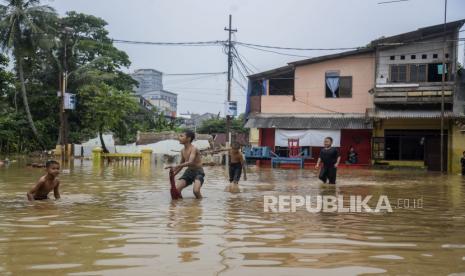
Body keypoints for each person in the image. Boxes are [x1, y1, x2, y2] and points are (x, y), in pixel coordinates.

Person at [165, 130, 205, 199]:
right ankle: (183, 206)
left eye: (181, 136)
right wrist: (173, 175)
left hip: (198, 172)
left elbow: (190, 162)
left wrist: (175, 166)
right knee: (177, 190)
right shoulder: (182, 150)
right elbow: (181, 165)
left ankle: (199, 204)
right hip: (189, 172)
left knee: (196, 191)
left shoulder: (194, 149)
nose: (179, 137)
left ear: (188, 138)